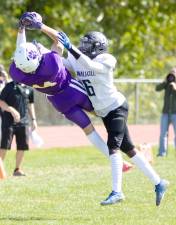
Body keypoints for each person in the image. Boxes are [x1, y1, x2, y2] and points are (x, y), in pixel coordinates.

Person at [13, 12, 168, 206]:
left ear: (97, 46)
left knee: (113, 147)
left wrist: (67, 47)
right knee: (129, 149)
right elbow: (61, 60)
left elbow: (92, 67)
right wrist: (45, 49)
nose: (83, 47)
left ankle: (117, 191)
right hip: (103, 110)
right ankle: (159, 182)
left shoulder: (107, 59)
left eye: (87, 44)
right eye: (83, 44)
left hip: (116, 107)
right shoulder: (78, 59)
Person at [9, 12, 122, 173]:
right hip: (72, 90)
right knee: (106, 113)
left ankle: (114, 159)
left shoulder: (17, 73)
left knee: (88, 129)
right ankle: (124, 147)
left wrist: (21, 29)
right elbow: (60, 40)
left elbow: (21, 50)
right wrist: (41, 26)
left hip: (58, 101)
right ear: (37, 59)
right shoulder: (52, 64)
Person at [0, 80, 37, 176]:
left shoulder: (29, 87)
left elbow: (30, 104)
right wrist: (11, 110)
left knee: (22, 146)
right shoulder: (9, 86)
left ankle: (17, 169)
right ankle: (0, 170)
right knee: (4, 145)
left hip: (24, 122)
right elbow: (1, 101)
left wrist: (33, 119)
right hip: (8, 122)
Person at [155, 67, 176, 156]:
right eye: (171, 74)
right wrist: (166, 81)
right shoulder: (166, 84)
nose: (172, 76)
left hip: (175, 113)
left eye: (174, 74)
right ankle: (162, 153)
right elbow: (157, 88)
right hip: (165, 113)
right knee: (163, 134)